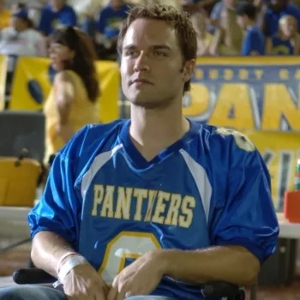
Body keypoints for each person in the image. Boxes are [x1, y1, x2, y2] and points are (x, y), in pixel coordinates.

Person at [0, 3, 279, 300]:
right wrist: (69, 264)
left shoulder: (227, 154)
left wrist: (164, 262)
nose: (140, 63)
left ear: (188, 68)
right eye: (131, 52)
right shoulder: (85, 146)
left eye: (159, 53)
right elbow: (44, 235)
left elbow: (246, 261)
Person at [44, 26, 100, 165]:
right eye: (50, 47)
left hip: (65, 160)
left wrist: (62, 125)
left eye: (57, 47)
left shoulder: (64, 77)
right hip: (84, 157)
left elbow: (64, 101)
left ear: (72, 53)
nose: (51, 52)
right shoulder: (83, 82)